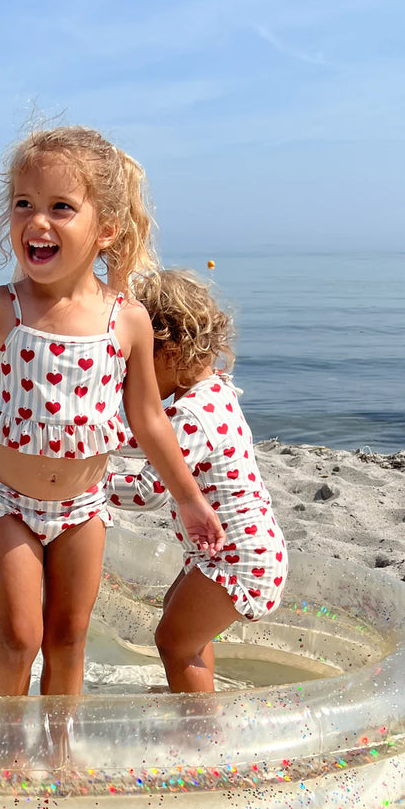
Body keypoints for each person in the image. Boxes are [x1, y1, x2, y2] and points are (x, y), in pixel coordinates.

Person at [0, 127, 225, 699]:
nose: (38, 221)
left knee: (68, 639)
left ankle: (58, 751)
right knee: (18, 639)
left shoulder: (125, 320)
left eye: (61, 207)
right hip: (9, 500)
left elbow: (150, 420)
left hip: (84, 507)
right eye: (23, 204)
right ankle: (7, 742)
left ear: (105, 228)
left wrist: (189, 497)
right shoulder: (1, 309)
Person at [106, 269, 287, 693]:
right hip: (239, 548)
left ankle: (198, 730)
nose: (134, 377)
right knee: (183, 624)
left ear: (168, 350)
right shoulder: (215, 391)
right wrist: (96, 436)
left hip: (238, 555)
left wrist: (89, 483)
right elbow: (151, 439)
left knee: (173, 641)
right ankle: (193, 700)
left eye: (138, 361)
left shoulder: (191, 415)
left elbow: (148, 491)